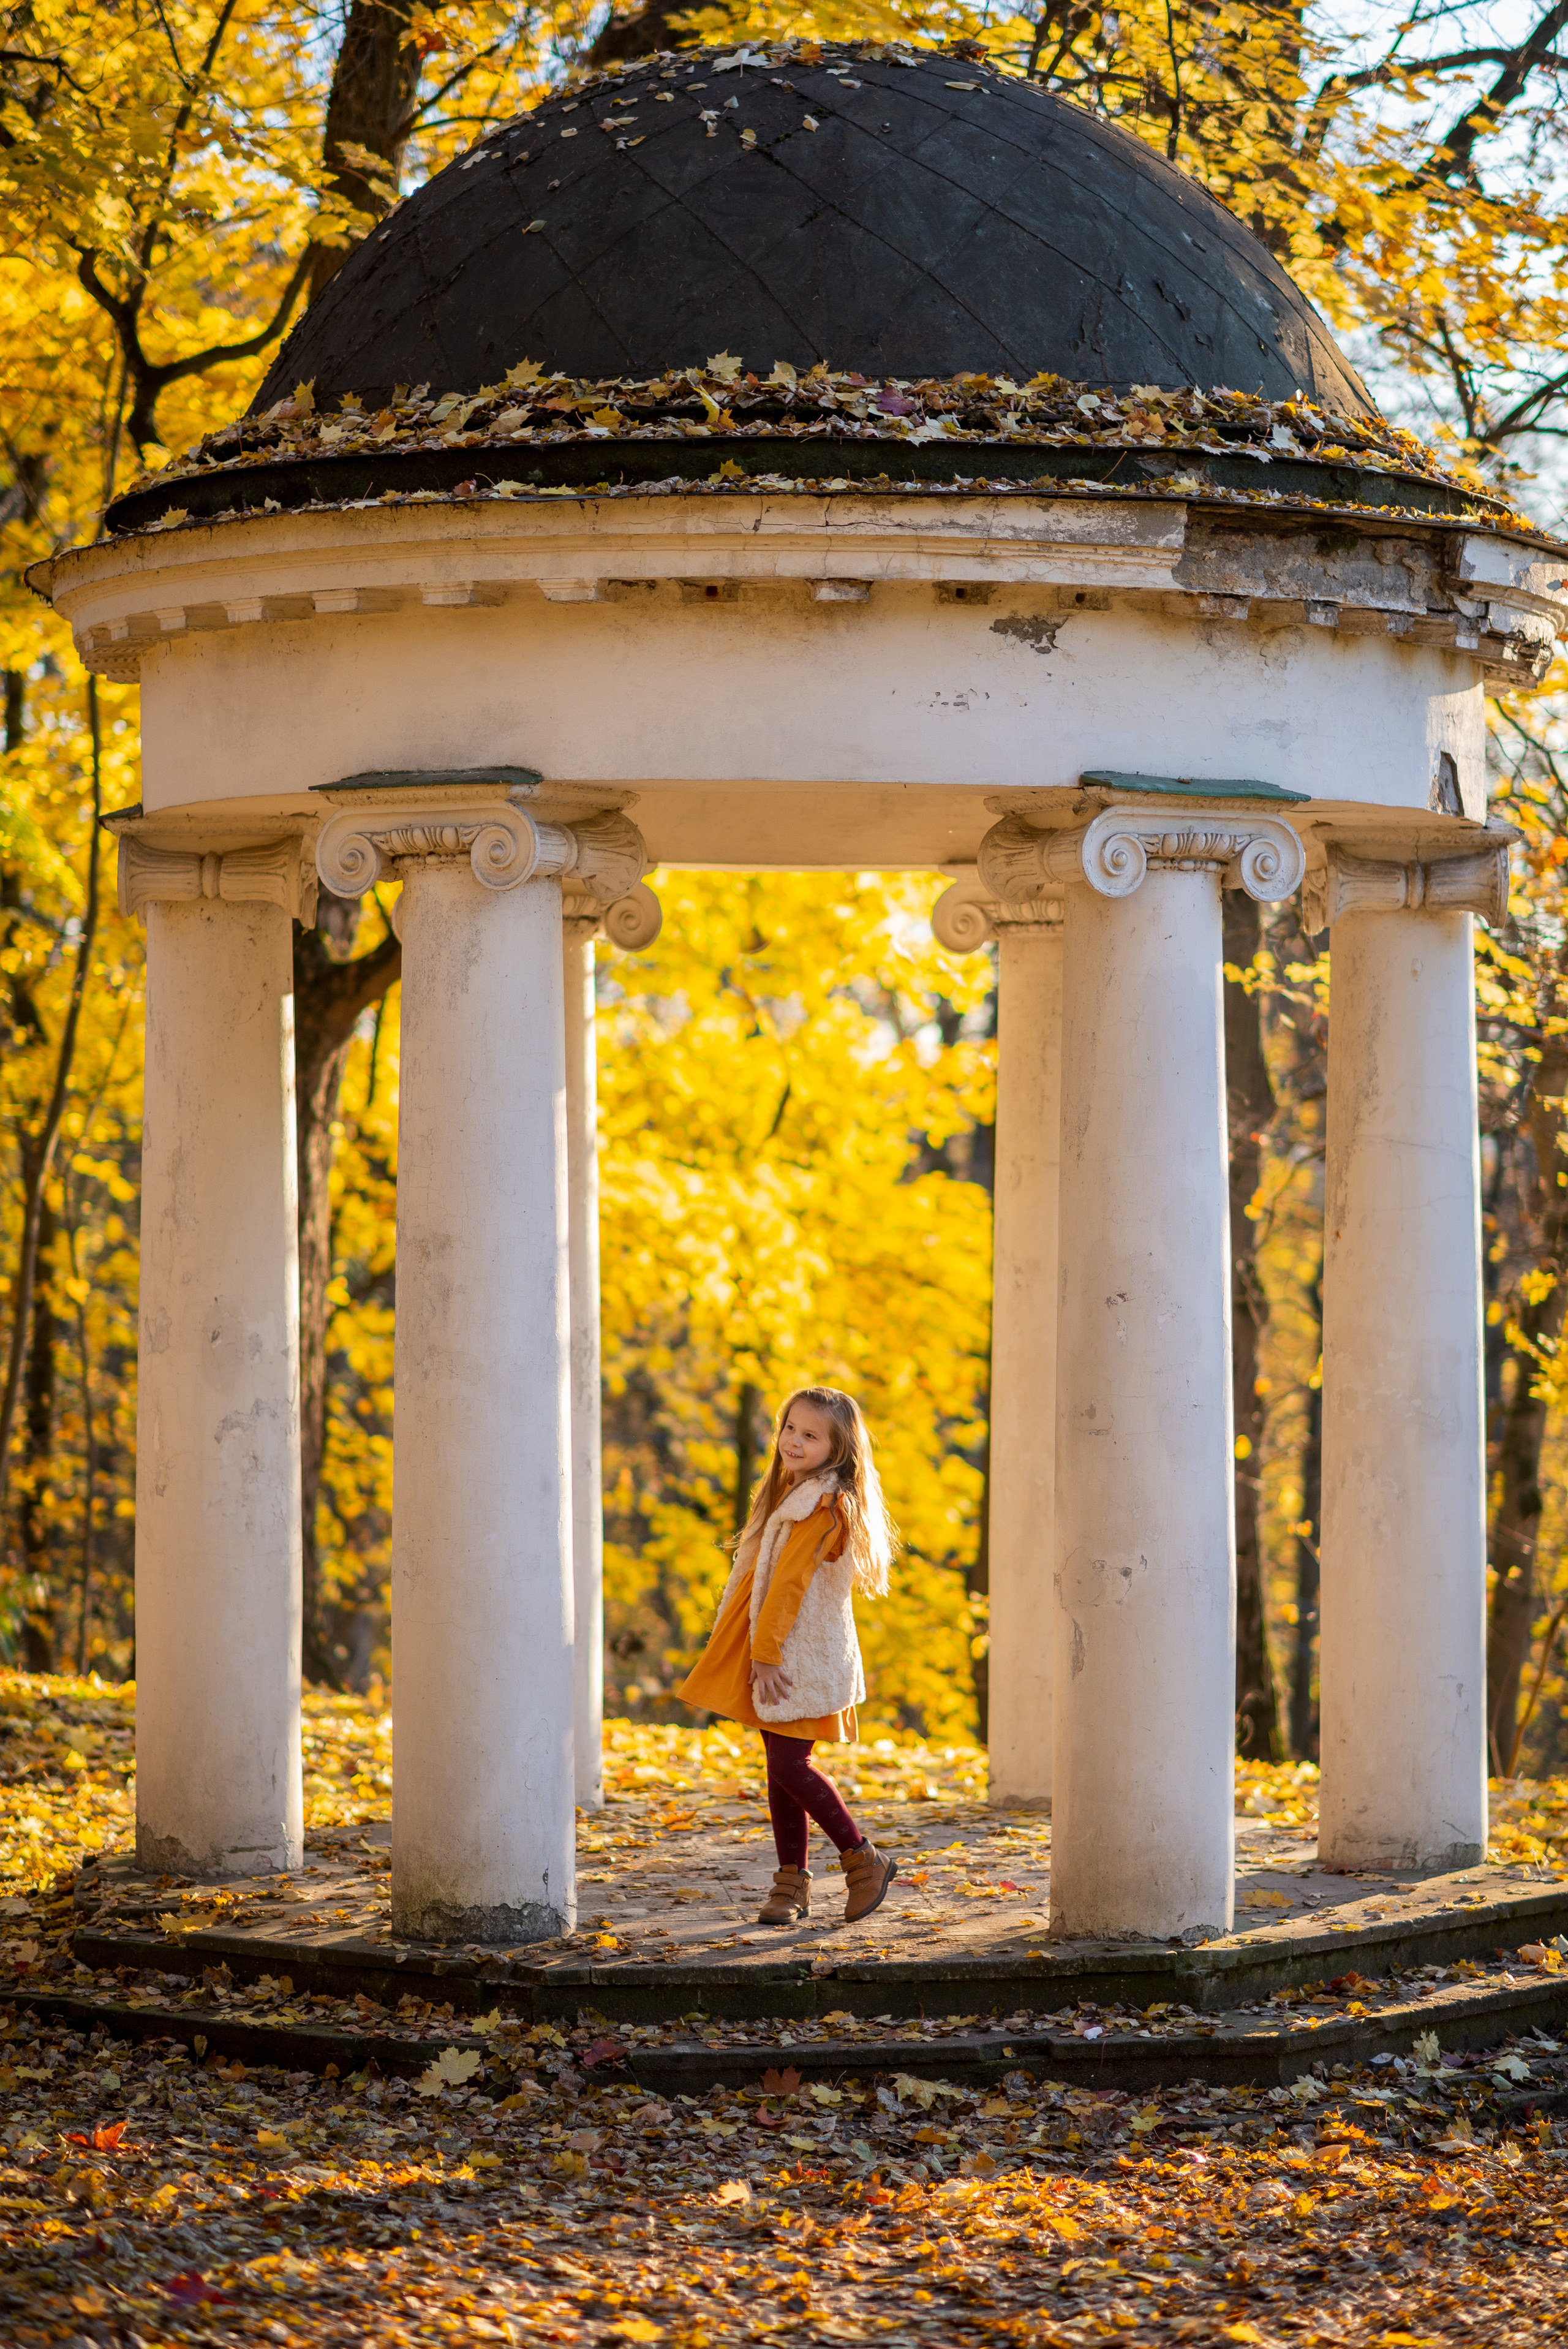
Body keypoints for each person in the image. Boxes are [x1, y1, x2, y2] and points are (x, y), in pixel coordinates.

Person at [678, 1385, 899, 1927]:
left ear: (837, 1449)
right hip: (778, 1647)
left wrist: (767, 1653)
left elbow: (790, 1586)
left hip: (794, 1652)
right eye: (790, 1429)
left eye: (810, 1435)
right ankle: (791, 1884)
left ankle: (862, 1859)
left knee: (788, 1765)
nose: (794, 1441)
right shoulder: (793, 1493)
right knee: (780, 1770)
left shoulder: (821, 1504)